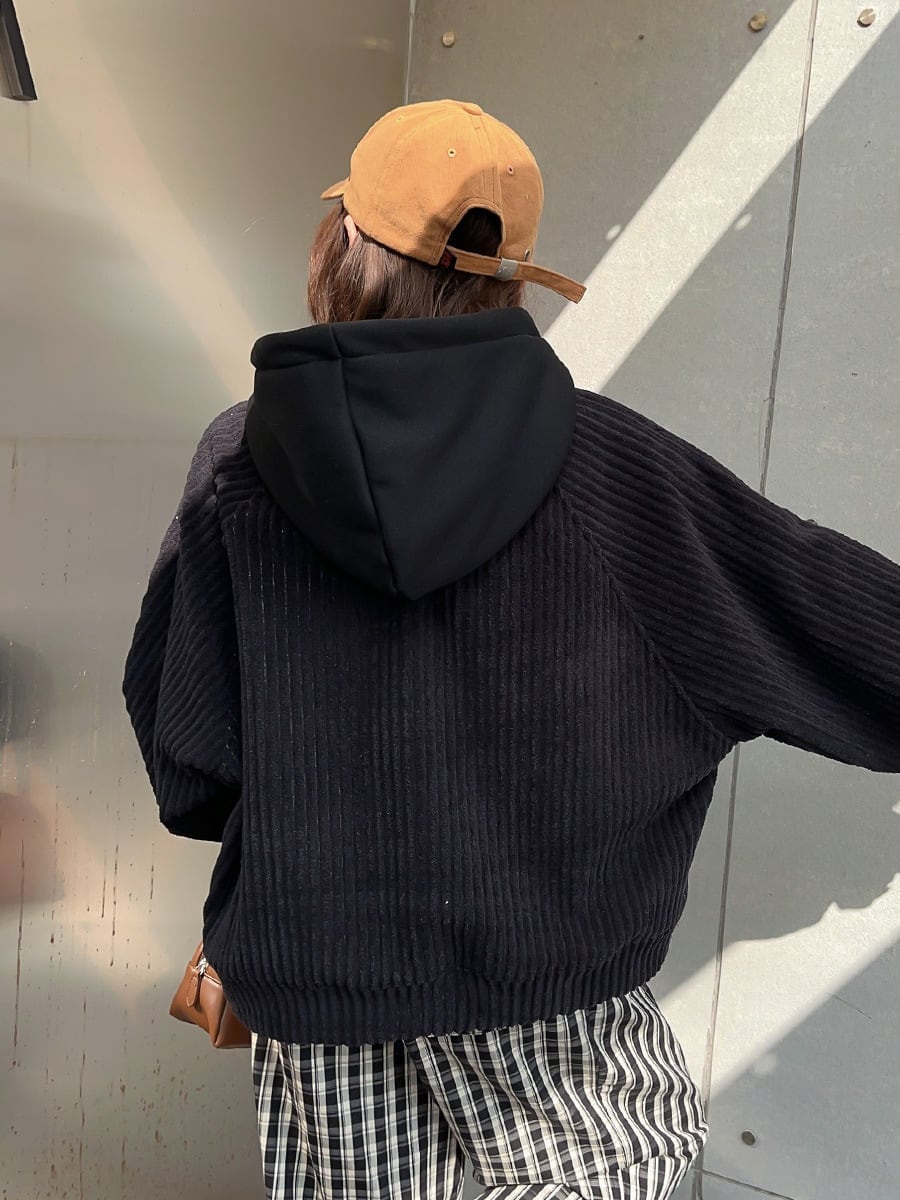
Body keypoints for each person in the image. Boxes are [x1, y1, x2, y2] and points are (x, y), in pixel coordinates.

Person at [122, 99, 900, 1200]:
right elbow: (843, 625)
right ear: (512, 282)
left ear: (344, 242)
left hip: (320, 1001)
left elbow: (187, 751)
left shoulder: (238, 463)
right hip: (552, 1007)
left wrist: (311, 830)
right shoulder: (617, 473)